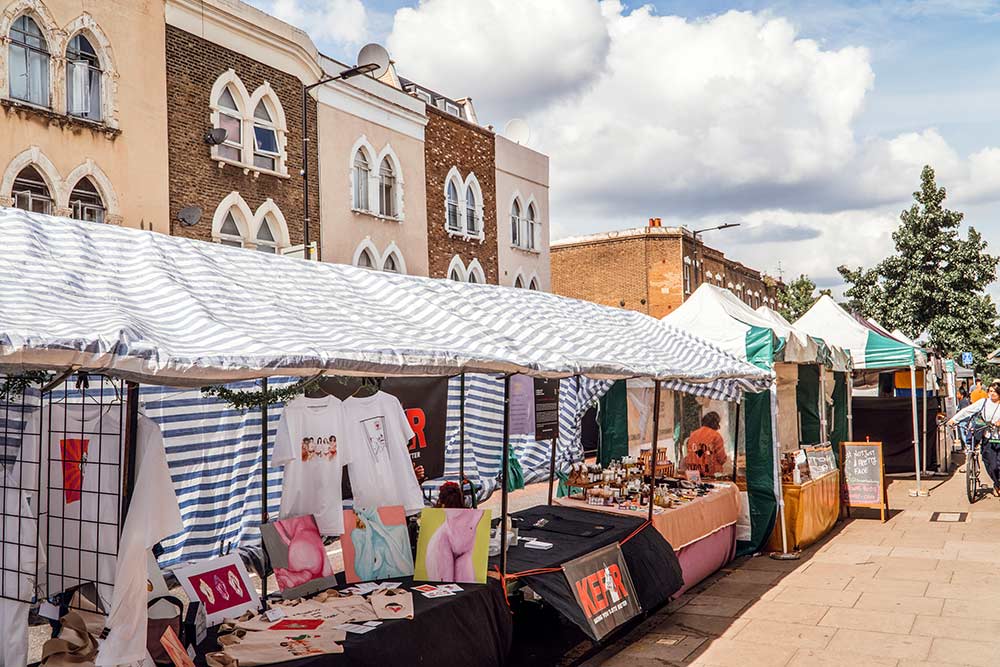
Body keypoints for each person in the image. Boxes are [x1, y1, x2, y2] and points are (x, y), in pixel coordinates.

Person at [949, 380, 1000, 496]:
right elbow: (967, 411)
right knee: (991, 464)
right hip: (988, 437)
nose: (992, 394)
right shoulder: (983, 402)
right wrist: (954, 419)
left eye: (995, 392)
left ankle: (997, 484)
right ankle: (997, 484)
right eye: (990, 391)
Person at [684, 411, 728, 476]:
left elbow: (689, 454)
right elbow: (721, 458)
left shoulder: (693, 434)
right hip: (711, 475)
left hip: (693, 474)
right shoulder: (716, 436)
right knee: (710, 486)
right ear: (716, 423)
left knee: (695, 486)